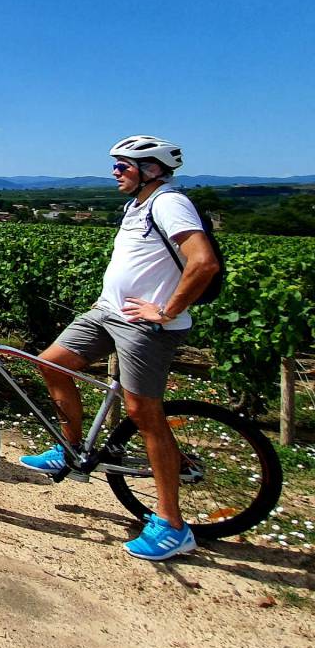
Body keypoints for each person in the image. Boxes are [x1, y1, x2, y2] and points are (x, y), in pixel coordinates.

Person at [19, 135, 218, 561]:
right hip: (108, 314)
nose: (114, 172)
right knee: (53, 363)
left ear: (151, 169)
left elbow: (204, 262)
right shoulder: (137, 205)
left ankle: (172, 525)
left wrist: (165, 311)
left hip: (145, 327)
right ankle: (69, 450)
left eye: (123, 165)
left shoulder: (169, 202)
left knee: (143, 413)